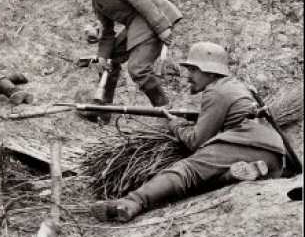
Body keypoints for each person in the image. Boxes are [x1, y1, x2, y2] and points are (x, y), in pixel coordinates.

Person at [90, 42, 287, 223]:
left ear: (211, 73)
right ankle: (238, 173)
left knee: (186, 172)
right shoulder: (235, 87)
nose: (188, 75)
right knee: (206, 179)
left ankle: (131, 202)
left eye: (194, 69)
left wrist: (174, 124)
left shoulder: (216, 91)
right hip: (274, 154)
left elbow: (195, 141)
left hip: (248, 141)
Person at [62, 0, 182, 107]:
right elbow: (107, 31)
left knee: (137, 69)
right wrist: (103, 56)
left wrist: (161, 27)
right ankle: (103, 107)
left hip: (154, 14)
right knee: (109, 60)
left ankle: (164, 110)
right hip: (136, 24)